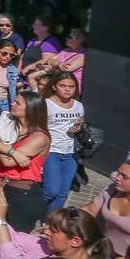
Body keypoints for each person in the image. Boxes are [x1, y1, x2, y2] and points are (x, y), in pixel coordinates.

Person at [0, 91, 52, 230]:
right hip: (2, 186)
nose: (13, 104)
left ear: (30, 108)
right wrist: (13, 152)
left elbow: (7, 161)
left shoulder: (40, 137)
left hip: (22, 194)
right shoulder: (11, 124)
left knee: (14, 237)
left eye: (18, 103)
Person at [80, 160, 130, 259]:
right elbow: (89, 210)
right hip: (98, 250)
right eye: (118, 173)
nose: (117, 178)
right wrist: (66, 217)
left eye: (124, 177)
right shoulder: (112, 190)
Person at [41, 72, 85, 212]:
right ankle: (30, 203)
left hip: (70, 153)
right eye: (63, 86)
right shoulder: (46, 104)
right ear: (54, 86)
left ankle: (51, 223)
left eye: (71, 86)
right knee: (52, 191)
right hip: (51, 151)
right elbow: (37, 127)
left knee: (63, 192)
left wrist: (78, 127)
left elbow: (80, 124)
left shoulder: (78, 105)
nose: (67, 89)